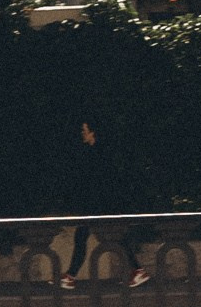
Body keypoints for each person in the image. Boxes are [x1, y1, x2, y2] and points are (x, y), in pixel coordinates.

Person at [59, 122, 149, 290]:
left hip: (100, 205)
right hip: (103, 204)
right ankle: (138, 270)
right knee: (112, 237)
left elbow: (98, 182)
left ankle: (70, 276)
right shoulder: (98, 151)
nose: (82, 133)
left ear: (93, 133)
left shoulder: (99, 153)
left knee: (86, 236)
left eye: (84, 130)